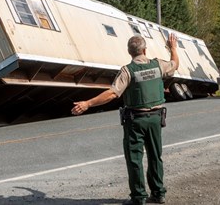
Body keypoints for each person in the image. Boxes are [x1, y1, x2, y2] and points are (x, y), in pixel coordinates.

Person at [71, 33, 179, 205]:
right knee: (155, 156)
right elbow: (174, 64)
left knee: (135, 158)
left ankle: (139, 197)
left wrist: (87, 103)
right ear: (144, 50)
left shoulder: (128, 71)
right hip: (155, 119)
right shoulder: (158, 65)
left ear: (130, 52)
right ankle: (158, 193)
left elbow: (113, 93)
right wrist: (172, 47)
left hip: (136, 120)